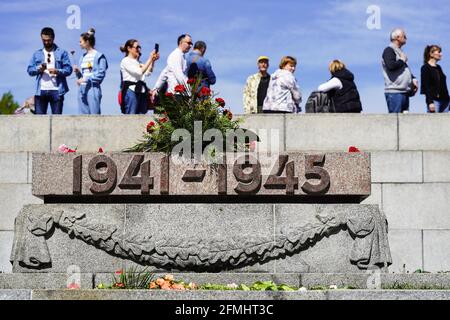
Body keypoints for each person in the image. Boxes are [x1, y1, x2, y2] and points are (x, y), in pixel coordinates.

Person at [27, 27, 72, 114]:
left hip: (57, 91)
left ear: (53, 38)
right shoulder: (37, 54)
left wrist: (57, 71)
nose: (46, 42)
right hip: (40, 91)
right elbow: (29, 70)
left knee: (57, 121)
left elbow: (69, 70)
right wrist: (39, 69)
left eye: (49, 40)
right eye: (44, 40)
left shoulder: (62, 53)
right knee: (40, 122)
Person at [382, 28, 418, 113]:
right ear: (397, 37)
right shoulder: (389, 50)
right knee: (395, 123)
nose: (406, 38)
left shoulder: (399, 52)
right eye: (404, 36)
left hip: (403, 92)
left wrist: (413, 79)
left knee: (404, 124)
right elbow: (390, 66)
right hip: (395, 93)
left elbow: (404, 69)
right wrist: (402, 60)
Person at [73, 28, 108, 114]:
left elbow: (101, 74)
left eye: (80, 41)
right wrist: (78, 72)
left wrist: (85, 79)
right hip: (82, 89)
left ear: (87, 42)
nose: (79, 44)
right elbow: (82, 76)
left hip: (93, 88)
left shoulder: (99, 56)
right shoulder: (82, 57)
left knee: (94, 116)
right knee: (82, 117)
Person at [119, 39, 159, 114]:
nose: (139, 49)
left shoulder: (139, 62)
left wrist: (153, 61)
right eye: (137, 47)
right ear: (129, 48)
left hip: (142, 91)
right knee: (131, 116)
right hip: (131, 91)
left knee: (142, 116)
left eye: (139, 47)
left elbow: (148, 72)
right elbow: (139, 72)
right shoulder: (125, 61)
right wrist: (150, 58)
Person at [421, 45, 449, 113]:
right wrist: (430, 102)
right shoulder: (425, 68)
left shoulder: (439, 67)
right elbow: (426, 86)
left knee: (445, 122)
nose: (441, 54)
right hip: (434, 101)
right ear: (431, 54)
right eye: (439, 52)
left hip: (445, 101)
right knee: (433, 122)